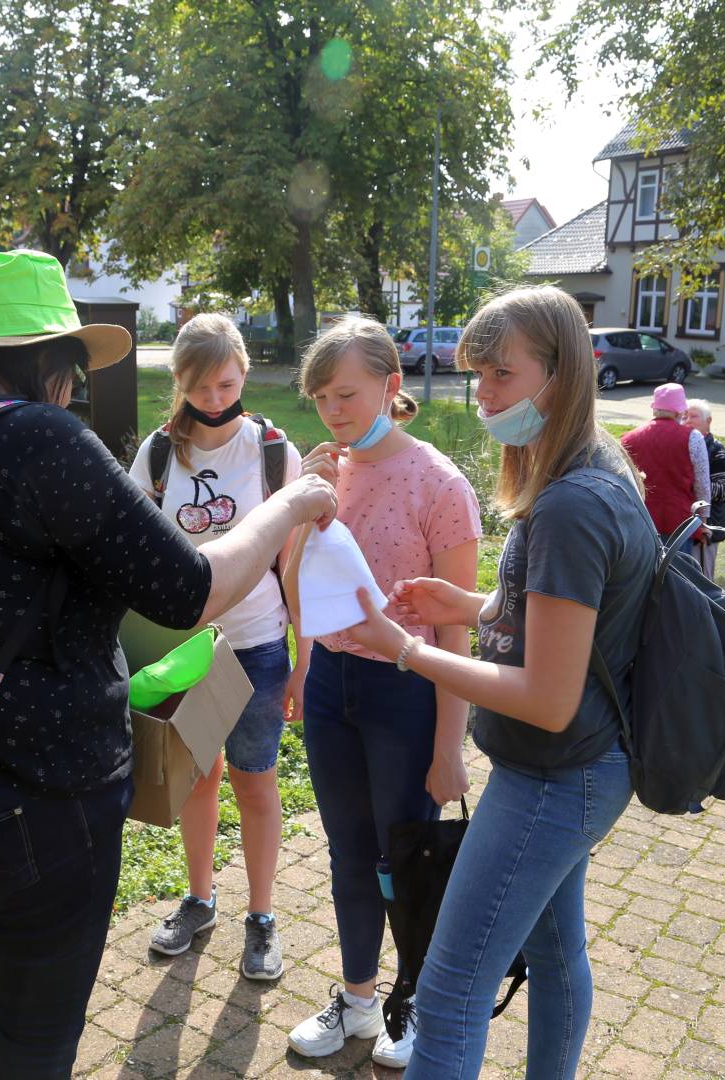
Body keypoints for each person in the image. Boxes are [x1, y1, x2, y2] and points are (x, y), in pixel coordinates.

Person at [0, 250, 338, 1079]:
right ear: (53, 363)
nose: (76, 387)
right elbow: (190, 590)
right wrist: (291, 504)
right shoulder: (44, 441)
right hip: (40, 795)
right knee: (41, 1030)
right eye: (74, 368)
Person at [341, 285, 651, 1080]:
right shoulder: (596, 462)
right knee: (554, 959)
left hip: (551, 775)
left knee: (448, 995)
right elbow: (574, 617)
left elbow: (547, 695)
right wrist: (475, 604)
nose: (483, 397)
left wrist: (406, 648)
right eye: (476, 375)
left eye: (501, 375)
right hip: (582, 766)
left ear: (563, 371)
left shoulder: (572, 504)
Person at [282, 317, 482, 1069]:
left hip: (409, 689)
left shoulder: (440, 485)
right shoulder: (323, 471)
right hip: (333, 684)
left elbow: (457, 630)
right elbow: (301, 581)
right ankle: (360, 999)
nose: (332, 412)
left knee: (409, 857)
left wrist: (448, 748)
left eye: (345, 394)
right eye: (320, 398)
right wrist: (304, 501)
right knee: (349, 852)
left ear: (391, 387)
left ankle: (421, 1003)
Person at [127, 314, 304, 981]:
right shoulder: (157, 453)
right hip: (185, 650)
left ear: (243, 373)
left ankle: (261, 916)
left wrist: (305, 659)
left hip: (258, 646)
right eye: (198, 386)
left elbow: (297, 566)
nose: (212, 397)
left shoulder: (273, 452)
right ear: (179, 381)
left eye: (225, 382)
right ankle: (200, 900)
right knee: (196, 781)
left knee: (255, 784)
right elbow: (136, 554)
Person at [620, 382, 709, 539]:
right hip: (679, 521)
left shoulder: (629, 438)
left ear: (655, 408)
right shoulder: (693, 437)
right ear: (680, 411)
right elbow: (702, 485)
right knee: (677, 564)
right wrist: (703, 519)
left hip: (640, 520)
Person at [684, 398, 725, 578]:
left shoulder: (717, 451)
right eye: (684, 416)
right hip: (687, 526)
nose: (687, 420)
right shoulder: (684, 445)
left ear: (708, 421)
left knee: (702, 581)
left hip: (710, 526)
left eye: (693, 416)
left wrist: (693, 485)